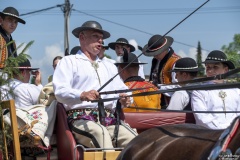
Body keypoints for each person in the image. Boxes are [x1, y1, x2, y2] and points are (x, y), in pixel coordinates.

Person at [53, 20, 137, 149]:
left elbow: (123, 89)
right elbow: (60, 91)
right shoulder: (68, 62)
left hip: (109, 122)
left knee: (134, 139)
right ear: (82, 37)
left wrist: (126, 98)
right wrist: (82, 95)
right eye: (95, 37)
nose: (100, 41)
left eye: (101, 38)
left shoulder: (109, 65)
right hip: (81, 121)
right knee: (100, 134)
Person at [1, 58, 56, 147]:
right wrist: (38, 84)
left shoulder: (2, 88)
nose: (30, 75)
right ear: (23, 72)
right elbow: (44, 99)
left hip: (7, 135)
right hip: (26, 135)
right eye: (29, 72)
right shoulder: (28, 88)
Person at [191, 50, 240, 129]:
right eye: (208, 67)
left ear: (226, 70)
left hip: (233, 133)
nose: (210, 71)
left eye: (215, 67)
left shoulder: (236, 91)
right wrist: (223, 130)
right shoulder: (199, 91)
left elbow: (238, 115)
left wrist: (232, 129)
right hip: (209, 135)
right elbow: (202, 118)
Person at [143, 34, 181, 108]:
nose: (154, 56)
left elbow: (178, 87)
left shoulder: (175, 62)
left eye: (157, 53)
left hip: (169, 104)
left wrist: (158, 87)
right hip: (155, 102)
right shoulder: (155, 60)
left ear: (164, 49)